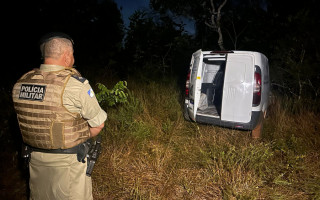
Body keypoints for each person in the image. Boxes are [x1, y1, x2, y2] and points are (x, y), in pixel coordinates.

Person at [12, 32, 107, 200]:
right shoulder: (76, 85)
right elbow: (98, 124)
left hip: (35, 164)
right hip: (69, 167)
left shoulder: (21, 84)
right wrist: (81, 135)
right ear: (66, 56)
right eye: (72, 55)